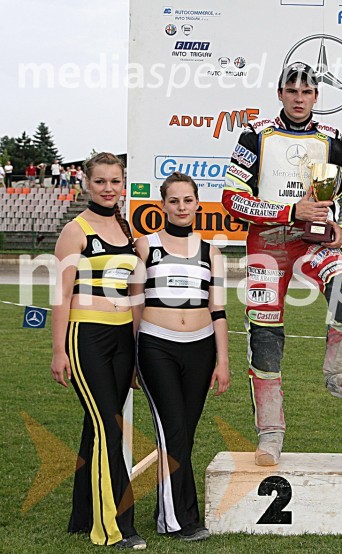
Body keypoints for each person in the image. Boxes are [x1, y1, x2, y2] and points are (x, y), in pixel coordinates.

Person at [222, 62, 342, 466]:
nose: (299, 99)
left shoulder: (332, 139)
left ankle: (339, 373)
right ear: (280, 93)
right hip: (267, 244)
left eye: (306, 92)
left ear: (316, 96)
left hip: (312, 241)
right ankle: (270, 434)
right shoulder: (255, 136)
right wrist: (288, 211)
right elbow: (232, 198)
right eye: (292, 91)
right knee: (265, 340)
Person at [49, 152, 146, 549]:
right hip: (86, 337)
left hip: (122, 341)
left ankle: (82, 515)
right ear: (87, 184)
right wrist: (59, 350)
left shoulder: (127, 230)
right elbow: (61, 294)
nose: (108, 188)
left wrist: (137, 350)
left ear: (123, 184)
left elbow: (136, 296)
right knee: (109, 428)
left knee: (96, 428)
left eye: (115, 181)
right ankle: (115, 528)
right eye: (101, 181)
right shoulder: (75, 231)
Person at [133, 172, 229, 542]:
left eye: (187, 200)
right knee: (172, 430)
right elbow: (134, 306)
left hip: (201, 349)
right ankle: (177, 521)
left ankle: (168, 508)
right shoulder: (146, 246)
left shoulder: (211, 252)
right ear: (163, 205)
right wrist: (132, 357)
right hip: (156, 347)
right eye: (174, 201)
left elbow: (218, 310)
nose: (181, 207)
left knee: (183, 435)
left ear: (197, 204)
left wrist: (223, 361)